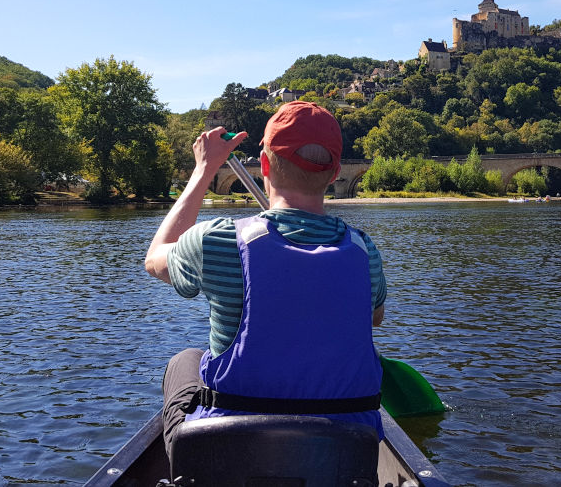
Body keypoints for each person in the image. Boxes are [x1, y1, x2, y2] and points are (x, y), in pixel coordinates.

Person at [145, 101, 387, 458]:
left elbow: (155, 258)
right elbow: (372, 319)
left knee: (186, 359)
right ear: (335, 172)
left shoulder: (216, 241)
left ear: (263, 166)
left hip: (231, 456)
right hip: (339, 459)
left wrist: (204, 169)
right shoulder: (364, 251)